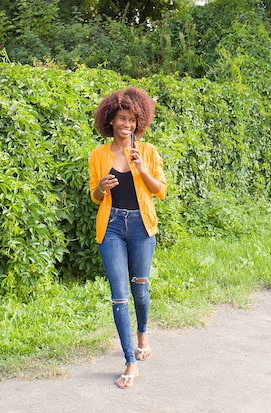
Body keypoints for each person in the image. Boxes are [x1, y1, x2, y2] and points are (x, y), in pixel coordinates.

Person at [88, 86, 167, 389]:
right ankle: (129, 361)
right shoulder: (98, 156)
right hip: (110, 228)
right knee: (119, 295)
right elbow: (95, 196)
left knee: (140, 289)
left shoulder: (147, 151)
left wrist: (142, 169)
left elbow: (161, 191)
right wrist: (102, 188)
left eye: (132, 120)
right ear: (110, 120)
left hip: (141, 227)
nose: (127, 125)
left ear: (139, 122)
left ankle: (143, 334)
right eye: (122, 118)